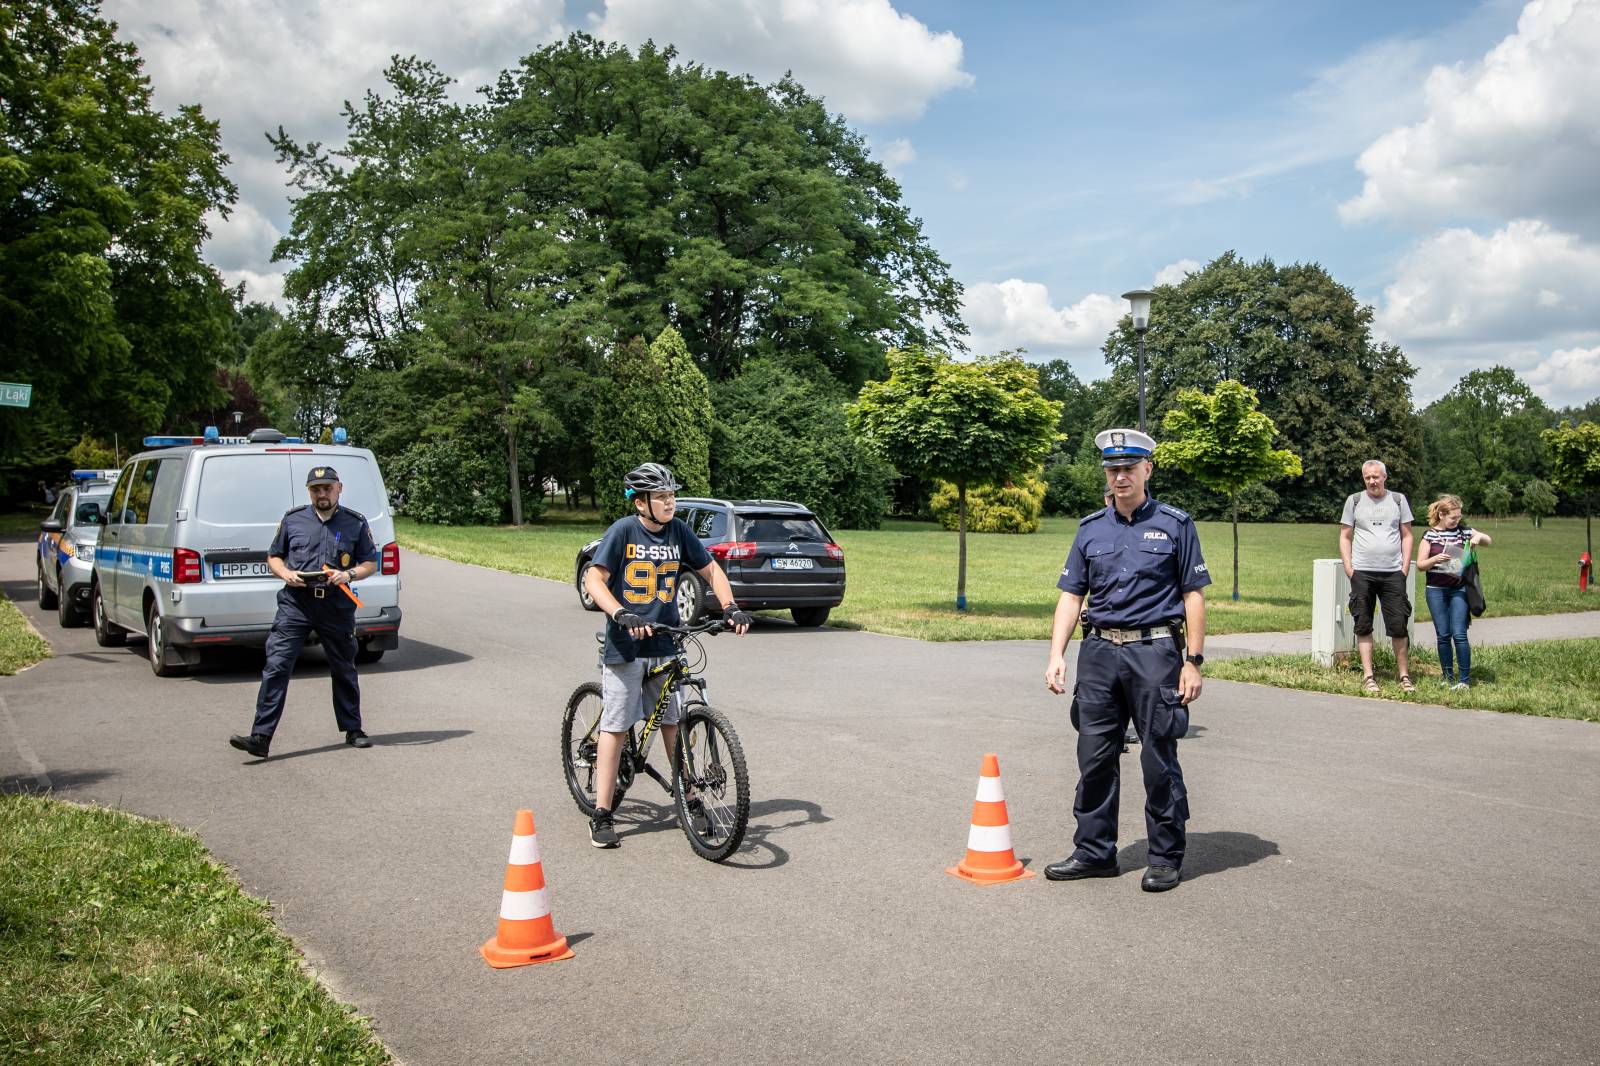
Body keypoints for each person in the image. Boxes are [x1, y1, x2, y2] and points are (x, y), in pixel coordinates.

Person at [1043, 429, 1210, 893]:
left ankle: (1165, 856)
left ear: (1147, 470)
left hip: (1154, 653)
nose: (1120, 477)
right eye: (1113, 469)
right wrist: (1056, 654)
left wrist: (1193, 661)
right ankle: (1094, 852)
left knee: (1158, 758)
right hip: (1098, 654)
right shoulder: (1090, 529)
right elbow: (1071, 596)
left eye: (1129, 468)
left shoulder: (1176, 525)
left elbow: (1193, 596)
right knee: (1094, 757)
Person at [581, 462, 752, 848]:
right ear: (640, 502)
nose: (669, 502)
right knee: (616, 726)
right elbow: (594, 578)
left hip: (666, 643)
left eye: (671, 495)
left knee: (673, 723)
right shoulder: (623, 531)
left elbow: (712, 571)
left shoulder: (679, 532)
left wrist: (730, 607)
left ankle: (689, 798)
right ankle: (602, 813)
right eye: (661, 497)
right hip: (626, 646)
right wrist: (620, 613)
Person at [230, 466, 378, 759]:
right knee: (277, 665)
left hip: (335, 604)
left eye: (327, 488)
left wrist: (348, 575)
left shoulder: (355, 523)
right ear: (309, 492)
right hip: (296, 603)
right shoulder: (293, 519)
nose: (322, 494)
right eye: (316, 489)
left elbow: (370, 563)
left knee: (343, 667)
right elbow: (274, 557)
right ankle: (260, 737)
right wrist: (285, 573)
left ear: (339, 488)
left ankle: (353, 729)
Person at [1339, 460, 1416, 694]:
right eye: (1367, 477)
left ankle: (1404, 676)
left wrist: (1404, 568)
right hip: (1362, 572)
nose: (1372, 481)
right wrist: (1349, 568)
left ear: (1385, 477)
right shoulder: (1354, 501)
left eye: (1376, 477)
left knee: (1398, 624)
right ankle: (1368, 676)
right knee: (1363, 624)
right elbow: (1345, 536)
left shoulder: (1398, 500)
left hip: (1393, 573)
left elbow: (1407, 535)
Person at [1417, 494, 1491, 689]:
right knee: (1443, 635)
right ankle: (1447, 677)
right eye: (1453, 518)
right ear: (1441, 515)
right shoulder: (1430, 535)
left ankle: (1464, 680)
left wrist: (1478, 537)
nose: (1456, 521)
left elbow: (1488, 540)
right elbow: (1421, 565)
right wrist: (1435, 559)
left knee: (1459, 634)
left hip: (1459, 589)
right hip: (1436, 590)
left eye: (1459, 517)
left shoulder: (1464, 531)